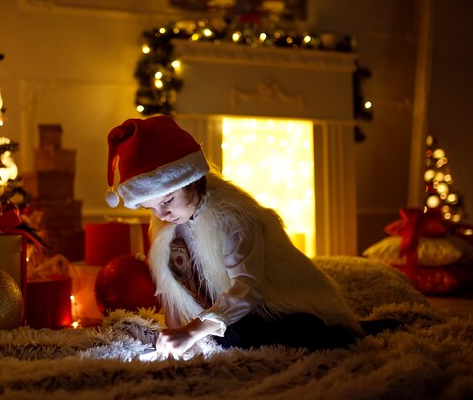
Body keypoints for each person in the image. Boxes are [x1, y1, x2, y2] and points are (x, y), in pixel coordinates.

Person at [104, 115, 365, 357]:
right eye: (152, 208)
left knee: (238, 335)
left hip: (276, 305)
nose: (162, 213)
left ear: (192, 180)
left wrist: (192, 331)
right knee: (224, 335)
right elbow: (172, 287)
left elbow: (247, 290)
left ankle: (332, 332)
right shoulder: (170, 225)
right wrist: (175, 332)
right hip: (224, 311)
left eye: (168, 200)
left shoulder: (232, 217)